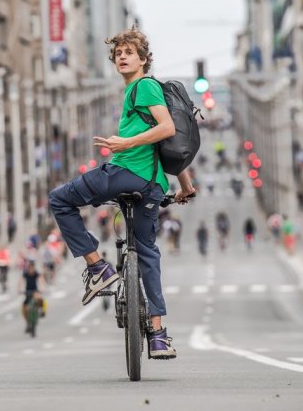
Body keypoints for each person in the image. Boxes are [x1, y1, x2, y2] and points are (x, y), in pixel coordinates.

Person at [48, 27, 196, 361]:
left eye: (129, 52)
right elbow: (169, 147)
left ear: (144, 59)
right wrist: (184, 186)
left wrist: (124, 143)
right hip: (152, 184)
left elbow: (168, 129)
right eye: (118, 54)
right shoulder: (141, 91)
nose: (122, 57)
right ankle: (158, 334)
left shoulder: (143, 87)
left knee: (59, 199)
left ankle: (98, 267)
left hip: (123, 172)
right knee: (147, 250)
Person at [21, 261, 46, 327]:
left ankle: (41, 310)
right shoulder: (25, 273)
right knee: (24, 307)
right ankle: (27, 322)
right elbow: (21, 281)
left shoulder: (36, 273)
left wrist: (42, 288)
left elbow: (41, 280)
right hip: (28, 291)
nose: (31, 269)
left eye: (32, 268)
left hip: (35, 291)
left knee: (40, 299)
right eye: (30, 268)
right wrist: (20, 289)